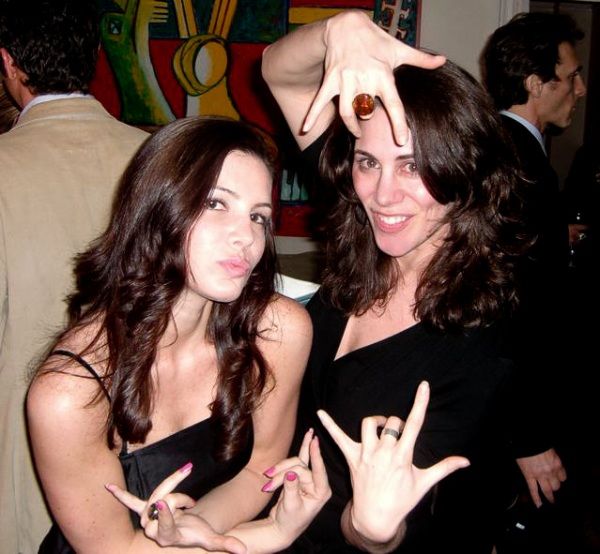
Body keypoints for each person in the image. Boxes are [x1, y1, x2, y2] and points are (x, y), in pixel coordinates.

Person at [262, 10, 530, 553]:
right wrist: (342, 30)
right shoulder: (367, 236)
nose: (382, 195)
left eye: (411, 166)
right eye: (368, 161)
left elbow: (406, 526)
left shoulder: (481, 341)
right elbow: (278, 71)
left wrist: (371, 530)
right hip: (277, 529)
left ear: (462, 169)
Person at [27, 115, 329, 553]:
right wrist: (266, 535)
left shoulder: (278, 332)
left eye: (258, 216)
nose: (246, 236)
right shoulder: (70, 393)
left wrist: (196, 529)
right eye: (216, 203)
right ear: (157, 207)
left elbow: (260, 466)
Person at [0, 1, 148, 551]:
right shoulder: (159, 160)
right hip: (140, 467)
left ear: (8, 62)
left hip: (21, 469)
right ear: (93, 56)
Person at [481, 11, 585, 519]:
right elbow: (509, 309)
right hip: (513, 412)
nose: (580, 89)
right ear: (535, 84)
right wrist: (529, 437)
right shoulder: (520, 166)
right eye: (571, 76)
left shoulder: (505, 149)